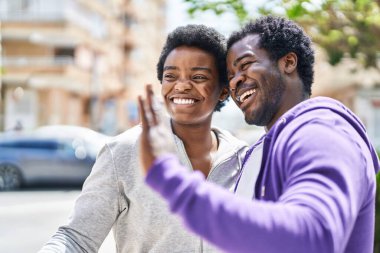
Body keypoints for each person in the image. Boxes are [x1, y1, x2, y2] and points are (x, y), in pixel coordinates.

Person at [139, 16, 380, 253]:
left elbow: (312, 236)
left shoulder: (322, 131)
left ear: (288, 63)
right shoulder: (263, 149)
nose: (235, 81)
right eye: (231, 75)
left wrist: (169, 176)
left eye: (245, 65)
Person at [39, 24, 248, 253]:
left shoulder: (244, 159)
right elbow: (76, 238)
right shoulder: (124, 151)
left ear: (224, 90)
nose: (181, 85)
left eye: (198, 76)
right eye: (170, 76)